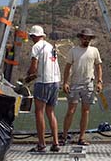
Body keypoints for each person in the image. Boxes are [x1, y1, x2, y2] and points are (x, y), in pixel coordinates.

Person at [61, 28, 103, 146]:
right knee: (71, 110)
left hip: (88, 84)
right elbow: (67, 67)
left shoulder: (94, 51)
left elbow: (98, 66)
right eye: (85, 38)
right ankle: (64, 136)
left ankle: (82, 137)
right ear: (80, 38)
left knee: (86, 111)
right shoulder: (73, 51)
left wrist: (99, 81)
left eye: (89, 38)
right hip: (75, 83)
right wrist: (65, 82)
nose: (86, 40)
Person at [25, 25, 61, 153]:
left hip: (43, 82)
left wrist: (27, 76)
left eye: (31, 37)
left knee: (39, 112)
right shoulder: (50, 46)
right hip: (55, 82)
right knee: (50, 112)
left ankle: (41, 144)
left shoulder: (36, 47)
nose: (31, 39)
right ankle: (55, 143)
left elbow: (33, 68)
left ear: (34, 36)